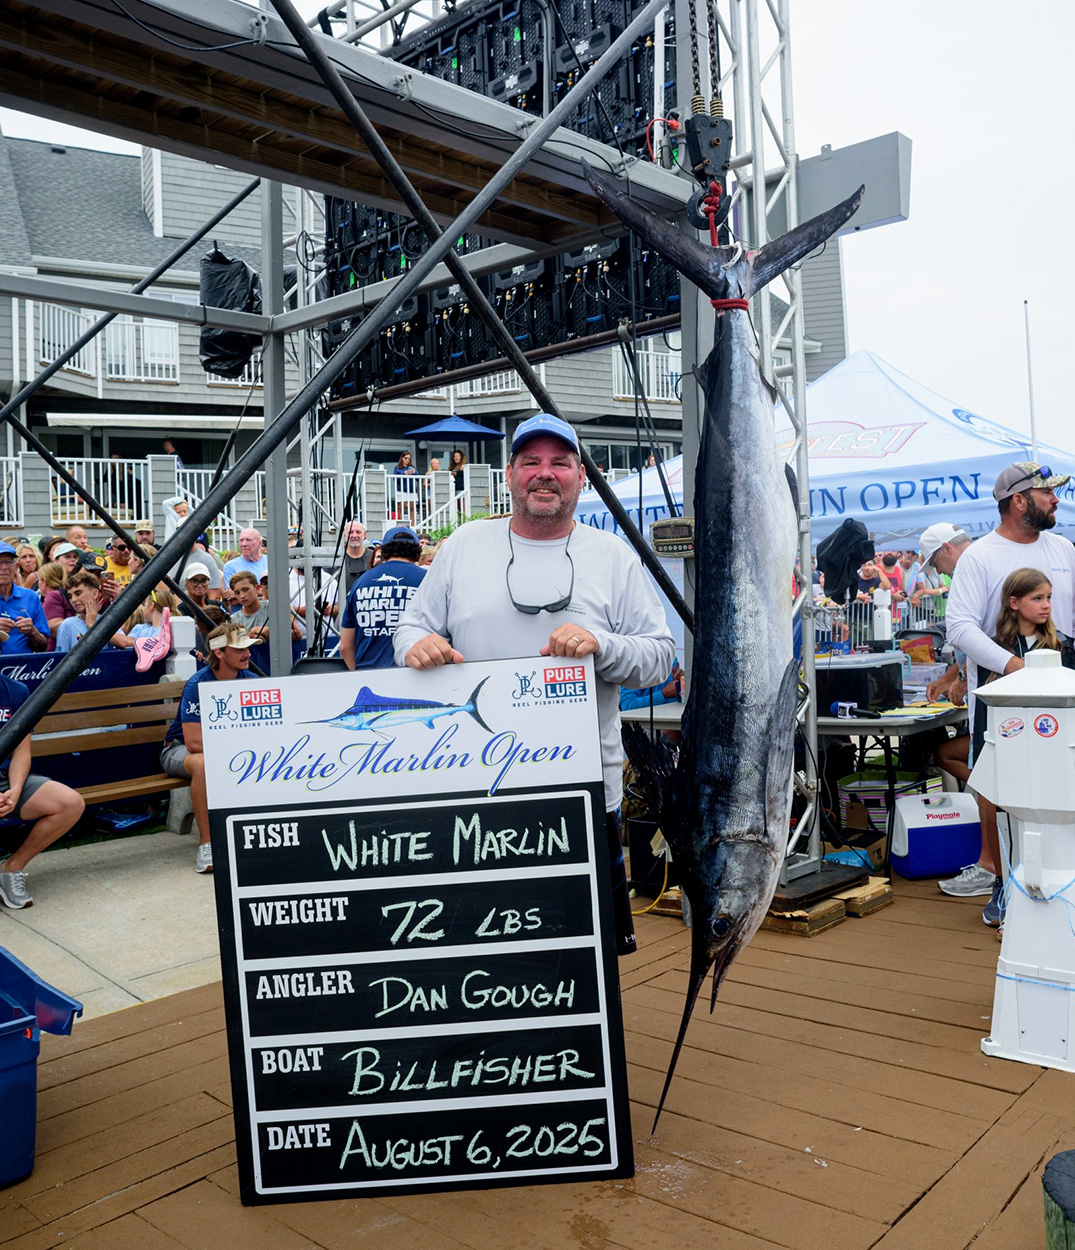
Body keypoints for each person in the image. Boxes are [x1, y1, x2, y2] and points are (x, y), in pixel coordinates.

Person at [396, 413, 675, 957]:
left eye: (560, 463)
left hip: (583, 788)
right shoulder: (461, 546)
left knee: (584, 945)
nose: (545, 474)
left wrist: (602, 644)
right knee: (477, 938)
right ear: (509, 475)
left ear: (581, 479)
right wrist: (415, 645)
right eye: (531, 462)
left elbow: (659, 659)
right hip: (471, 783)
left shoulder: (614, 556)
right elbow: (412, 626)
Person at [947, 462, 1075, 927]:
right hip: (1003, 697)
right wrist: (1019, 670)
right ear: (1019, 501)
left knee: (1063, 783)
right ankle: (1003, 881)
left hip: (1063, 694)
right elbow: (959, 625)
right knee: (1001, 787)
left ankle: (1061, 882)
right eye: (1048, 494)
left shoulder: (1062, 547)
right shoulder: (980, 556)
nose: (1057, 500)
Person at [159, 620, 256, 873]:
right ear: (219, 653)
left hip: (226, 752)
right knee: (204, 764)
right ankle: (206, 844)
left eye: (247, 647)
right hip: (178, 750)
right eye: (239, 649)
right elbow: (192, 743)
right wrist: (238, 751)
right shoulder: (197, 684)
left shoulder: (252, 680)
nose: (247, 653)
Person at [0, 669, 85, 908]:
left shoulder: (15, 690)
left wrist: (15, 791)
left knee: (69, 803)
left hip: (7, 778)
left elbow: (21, 750)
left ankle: (11, 868)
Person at [340, 525, 425, 670]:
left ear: (384, 550)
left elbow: (345, 646)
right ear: (417, 552)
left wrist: (357, 674)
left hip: (368, 674)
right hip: (414, 674)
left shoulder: (361, 582)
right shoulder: (426, 579)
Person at [55, 570, 133, 652]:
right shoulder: (67, 624)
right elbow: (60, 659)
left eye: (78, 593)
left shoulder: (107, 620)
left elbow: (123, 643)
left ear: (95, 594)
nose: (73, 600)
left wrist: (92, 624)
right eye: (70, 596)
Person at [0, 544, 49, 655]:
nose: (4, 567)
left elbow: (43, 646)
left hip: (22, 669)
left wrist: (32, 632)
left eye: (8, 562)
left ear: (16, 567)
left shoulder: (30, 597)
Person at [229, 571, 270, 640]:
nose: (242, 596)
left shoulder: (273, 607)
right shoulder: (233, 620)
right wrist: (250, 634)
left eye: (245, 590)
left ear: (257, 588)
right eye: (237, 593)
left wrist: (270, 632)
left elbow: (294, 632)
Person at [394, 451, 419, 525]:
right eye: (406, 458)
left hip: (412, 490)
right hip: (402, 490)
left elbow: (418, 479)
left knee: (412, 509)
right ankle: (400, 524)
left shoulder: (412, 467)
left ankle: (412, 525)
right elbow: (395, 479)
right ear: (402, 458)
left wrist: (415, 473)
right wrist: (403, 474)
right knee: (401, 509)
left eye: (409, 459)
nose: (407, 460)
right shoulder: (397, 468)